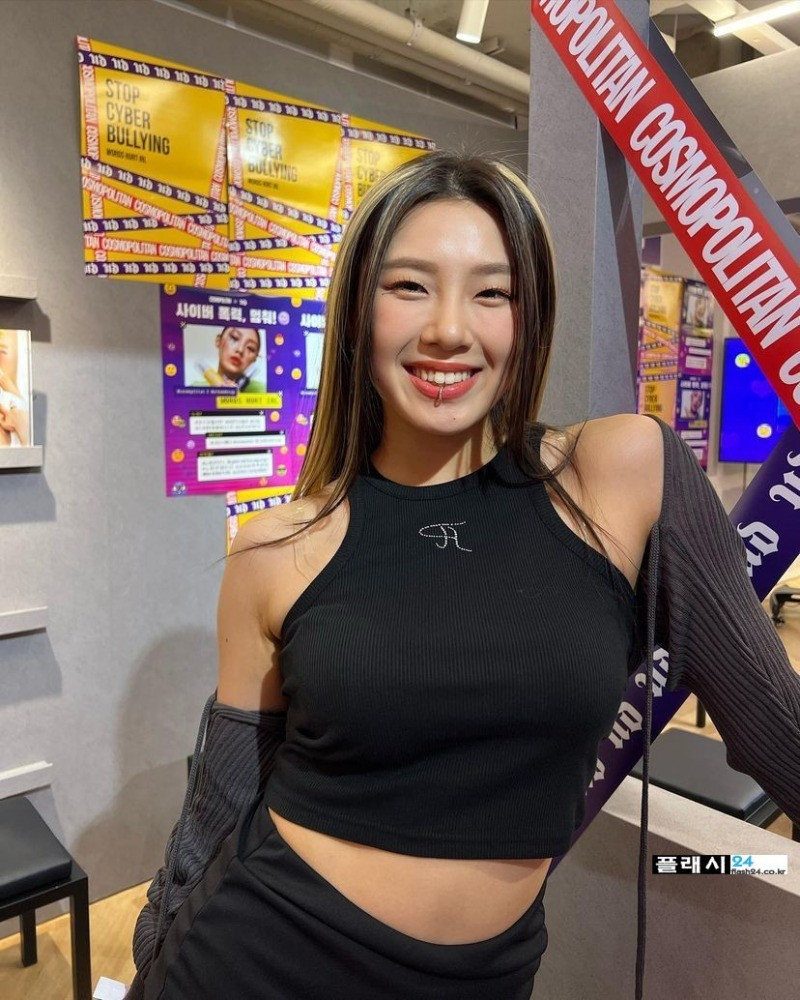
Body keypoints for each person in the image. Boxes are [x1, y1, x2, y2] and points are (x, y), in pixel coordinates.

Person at [128, 153, 800, 1000]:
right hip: (253, 963)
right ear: (359, 309)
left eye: (492, 293)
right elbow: (218, 808)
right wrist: (150, 958)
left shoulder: (619, 474)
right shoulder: (276, 547)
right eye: (410, 286)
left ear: (530, 317)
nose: (449, 328)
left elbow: (779, 728)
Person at [190, 325, 266, 393]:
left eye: (250, 348)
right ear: (218, 341)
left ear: (255, 359)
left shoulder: (263, 391)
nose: (240, 350)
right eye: (234, 338)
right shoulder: (194, 389)